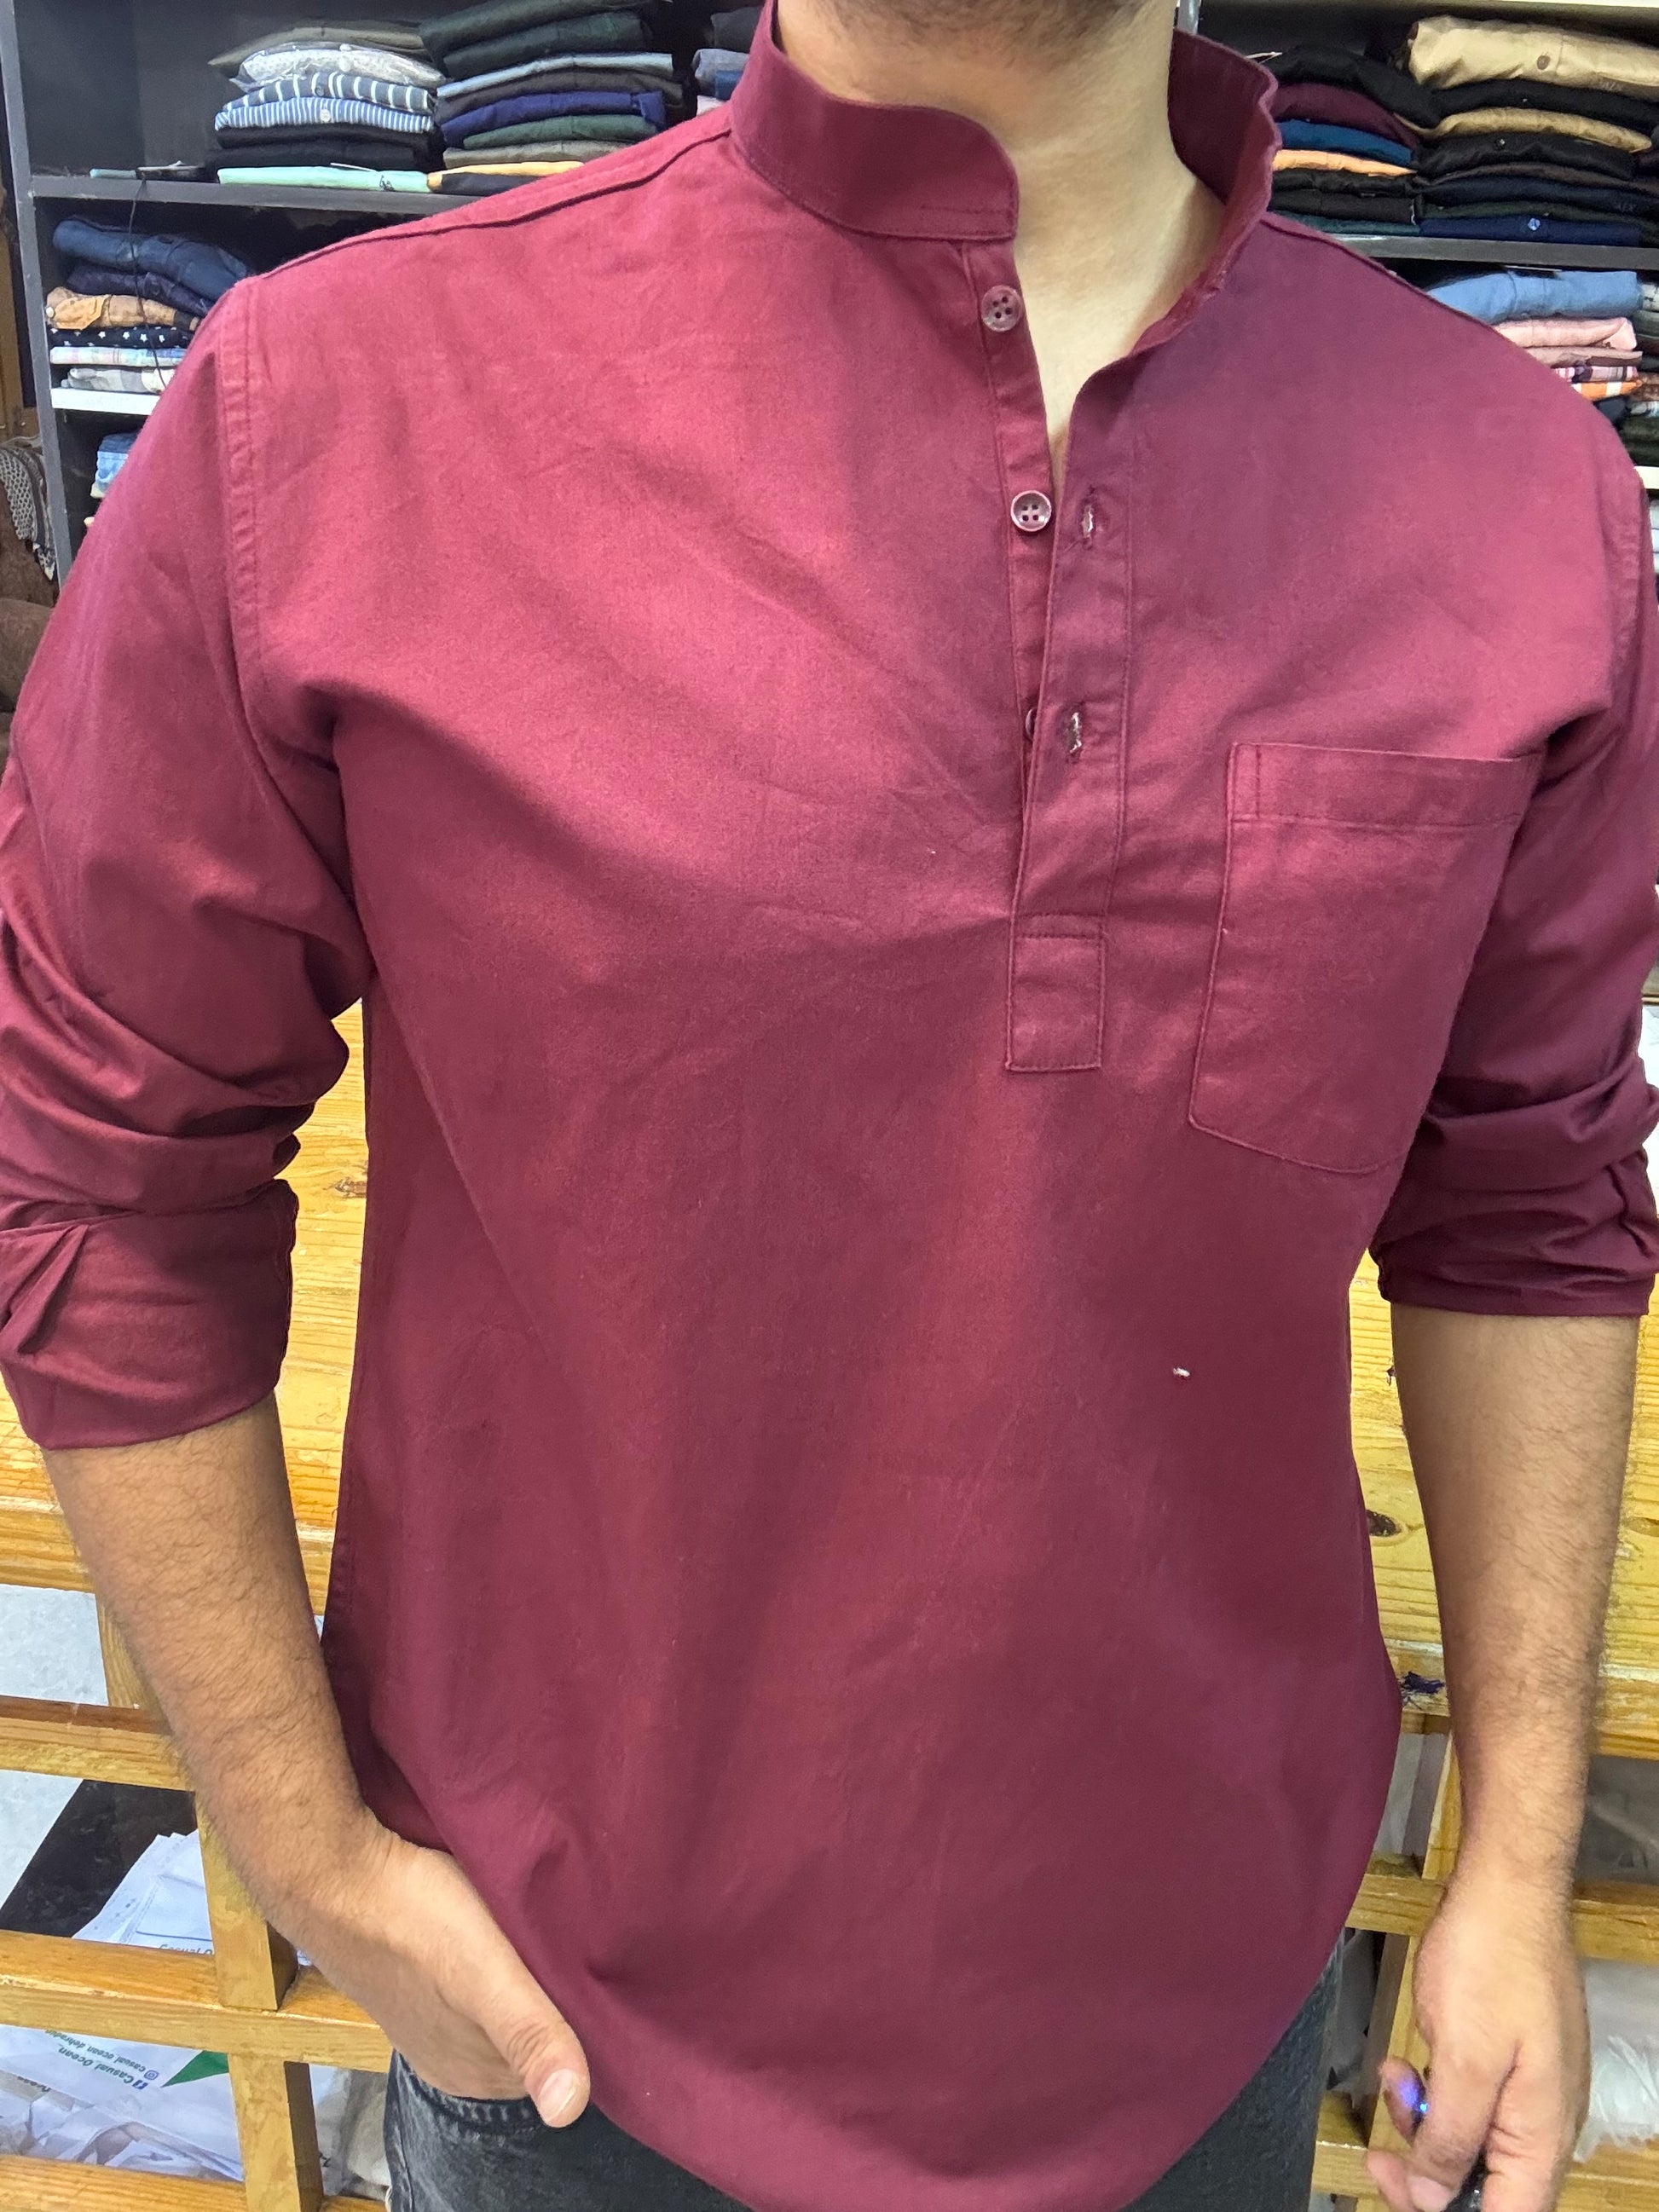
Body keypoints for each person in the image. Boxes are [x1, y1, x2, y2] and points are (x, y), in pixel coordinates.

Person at [1, 0, 1656, 2201]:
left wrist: (1518, 1850)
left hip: (1202, 1987)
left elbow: (1528, 1200)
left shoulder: (1513, 490)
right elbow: (98, 1170)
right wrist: (305, 1847)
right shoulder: (338, 406)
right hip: (564, 2005)